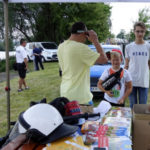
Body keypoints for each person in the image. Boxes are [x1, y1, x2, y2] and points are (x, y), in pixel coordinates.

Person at [58, 21, 108, 104]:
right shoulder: (80, 48)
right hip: (80, 98)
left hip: (65, 93)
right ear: (82, 33)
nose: (86, 39)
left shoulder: (61, 46)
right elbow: (104, 59)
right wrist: (95, 40)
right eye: (86, 35)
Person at [125, 21, 150, 108]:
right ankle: (132, 122)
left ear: (145, 32)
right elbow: (126, 65)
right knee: (133, 106)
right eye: (138, 31)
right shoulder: (128, 47)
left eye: (142, 31)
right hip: (132, 81)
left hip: (144, 81)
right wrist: (124, 79)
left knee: (143, 107)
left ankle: (141, 122)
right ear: (134, 31)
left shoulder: (148, 47)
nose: (140, 33)